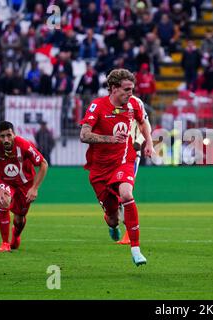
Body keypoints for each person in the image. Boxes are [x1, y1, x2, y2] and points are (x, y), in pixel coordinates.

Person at [79, 69, 154, 266]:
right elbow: (84, 135)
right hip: (99, 170)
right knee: (113, 218)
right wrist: (110, 139)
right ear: (113, 89)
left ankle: (136, 250)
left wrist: (149, 143)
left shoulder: (134, 104)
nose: (130, 93)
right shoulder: (97, 106)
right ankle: (112, 224)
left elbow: (143, 122)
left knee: (127, 195)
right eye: (126, 89)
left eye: (132, 89)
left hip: (124, 161)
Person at [0, 121, 48, 252]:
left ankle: (16, 236)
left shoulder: (24, 145)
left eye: (9, 135)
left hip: (25, 184)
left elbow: (44, 164)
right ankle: (5, 243)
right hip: (5, 182)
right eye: (2, 136)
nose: (6, 139)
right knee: (3, 202)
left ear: (14, 134)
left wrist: (34, 188)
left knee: (19, 219)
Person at [116, 105, 152, 245]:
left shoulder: (136, 104)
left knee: (125, 192)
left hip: (130, 155)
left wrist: (138, 142)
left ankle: (128, 233)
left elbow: (146, 126)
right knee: (113, 194)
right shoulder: (108, 104)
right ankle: (113, 220)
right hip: (112, 155)